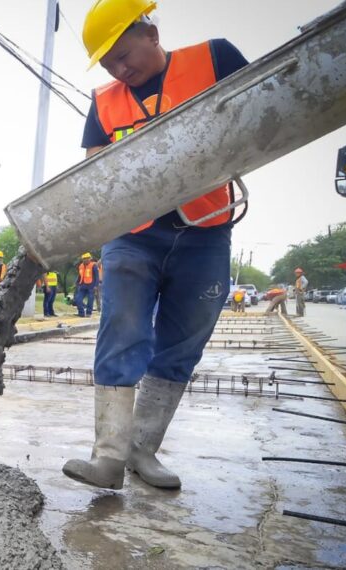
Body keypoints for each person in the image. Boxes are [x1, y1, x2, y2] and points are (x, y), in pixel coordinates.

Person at [62, 0, 249, 491]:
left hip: (205, 230)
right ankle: (108, 456)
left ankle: (142, 451)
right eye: (110, 64)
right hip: (134, 236)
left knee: (184, 341)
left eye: (125, 55)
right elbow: (96, 173)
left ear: (151, 31)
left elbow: (275, 104)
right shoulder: (105, 102)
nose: (121, 69)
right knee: (122, 329)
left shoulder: (215, 59)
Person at [74, 253, 99, 317]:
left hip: (91, 286)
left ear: (90, 258)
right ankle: (81, 313)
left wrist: (96, 286)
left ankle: (88, 313)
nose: (86, 260)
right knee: (78, 299)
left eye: (87, 258)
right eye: (84, 259)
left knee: (90, 300)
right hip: (82, 285)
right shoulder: (81, 266)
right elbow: (80, 276)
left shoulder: (93, 265)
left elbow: (97, 276)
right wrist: (77, 283)